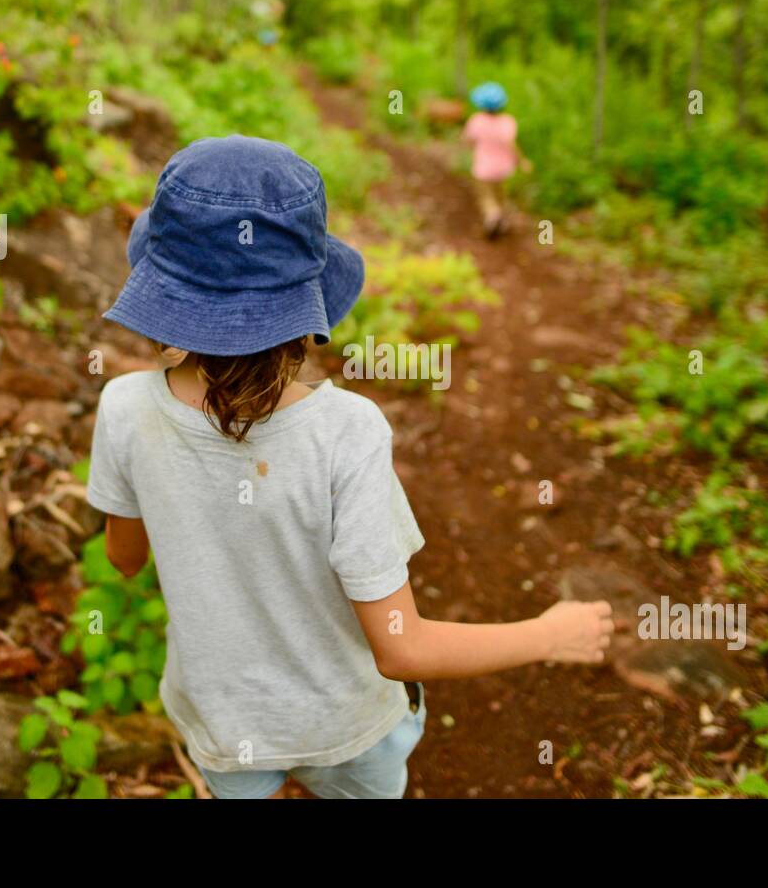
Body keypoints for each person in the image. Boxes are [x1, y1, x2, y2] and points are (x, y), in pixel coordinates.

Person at [88, 135, 612, 799]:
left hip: (222, 721)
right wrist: (547, 633)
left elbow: (126, 557)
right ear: (306, 305)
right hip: (350, 727)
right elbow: (402, 648)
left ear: (165, 290)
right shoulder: (347, 431)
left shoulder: (124, 407)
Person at [462, 82, 530, 238]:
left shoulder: (476, 120)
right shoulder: (508, 121)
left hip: (483, 168)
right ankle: (502, 218)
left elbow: (468, 140)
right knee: (500, 195)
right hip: (504, 168)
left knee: (486, 196)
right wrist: (522, 161)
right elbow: (512, 144)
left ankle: (492, 216)